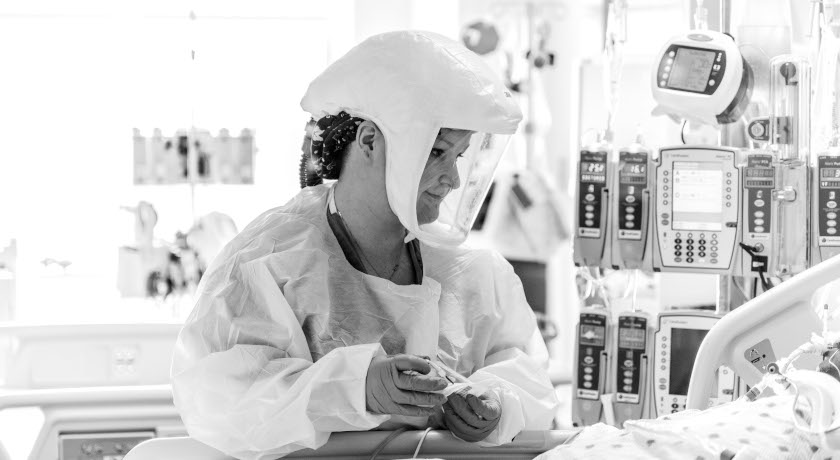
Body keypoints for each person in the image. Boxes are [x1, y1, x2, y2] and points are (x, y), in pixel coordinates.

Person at [171, 30, 559, 460]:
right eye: (437, 152)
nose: (451, 180)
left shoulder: (471, 272)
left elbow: (526, 374)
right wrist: (356, 386)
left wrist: (496, 404)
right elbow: (221, 402)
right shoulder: (268, 261)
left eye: (459, 157)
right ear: (370, 140)